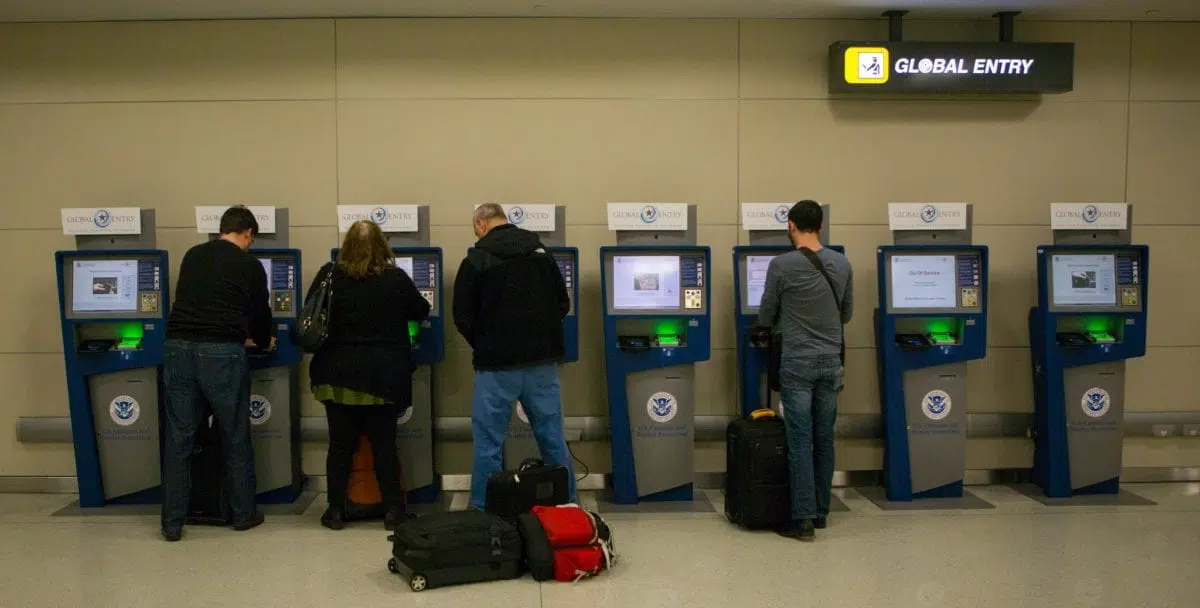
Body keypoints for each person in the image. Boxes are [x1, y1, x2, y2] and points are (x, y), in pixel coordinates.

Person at [453, 203, 577, 511]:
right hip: (541, 364)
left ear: (481, 223)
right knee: (552, 438)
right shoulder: (541, 254)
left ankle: (484, 508)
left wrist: (485, 342)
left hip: (496, 366)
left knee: (489, 444)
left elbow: (462, 316)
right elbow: (562, 303)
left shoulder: (476, 259)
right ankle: (566, 504)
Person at [308, 220, 431, 531]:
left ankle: (335, 510)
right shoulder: (395, 279)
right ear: (382, 246)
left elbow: (311, 312)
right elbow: (421, 310)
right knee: (384, 444)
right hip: (381, 377)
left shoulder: (330, 276)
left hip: (336, 375)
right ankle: (393, 511)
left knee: (339, 445)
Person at [162, 205, 273, 542]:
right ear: (248, 233)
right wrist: (264, 340)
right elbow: (259, 312)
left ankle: (172, 522)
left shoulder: (193, 255)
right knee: (235, 433)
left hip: (178, 348)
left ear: (221, 229)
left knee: (179, 438)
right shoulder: (249, 264)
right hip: (221, 353)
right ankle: (243, 515)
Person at [757, 200, 853, 541]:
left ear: (790, 225)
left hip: (797, 360)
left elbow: (766, 314)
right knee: (824, 438)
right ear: (821, 226)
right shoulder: (841, 263)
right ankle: (823, 511)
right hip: (831, 361)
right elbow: (846, 314)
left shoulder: (781, 265)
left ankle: (803, 518)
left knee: (799, 439)